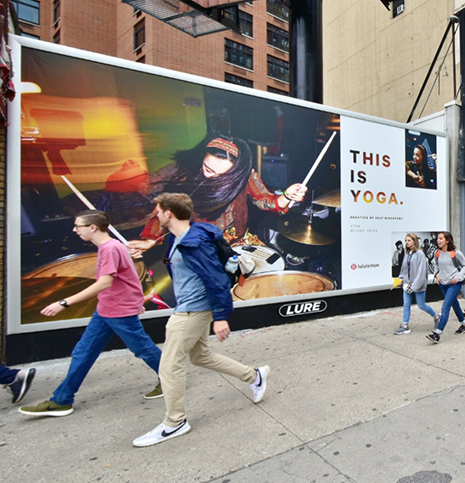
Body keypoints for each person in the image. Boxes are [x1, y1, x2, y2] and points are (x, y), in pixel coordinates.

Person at [132, 193, 269, 448]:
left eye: (158, 211)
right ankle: (254, 376)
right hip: (189, 306)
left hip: (192, 311)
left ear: (169, 213)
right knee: (199, 356)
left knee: (169, 366)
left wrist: (220, 317)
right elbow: (184, 274)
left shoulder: (194, 242)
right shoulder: (180, 237)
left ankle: (175, 422)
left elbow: (216, 279)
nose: (156, 215)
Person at [20, 210, 162, 418]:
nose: (74, 229)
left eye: (78, 226)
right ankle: (62, 400)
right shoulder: (113, 246)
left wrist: (64, 302)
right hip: (107, 309)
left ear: (93, 228)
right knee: (83, 353)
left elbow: (105, 282)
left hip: (118, 311)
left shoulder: (110, 249)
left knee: (143, 349)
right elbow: (129, 276)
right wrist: (136, 300)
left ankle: (171, 379)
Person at [128, 135, 306, 254]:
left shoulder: (245, 175)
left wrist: (287, 196)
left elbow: (263, 199)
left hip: (239, 240)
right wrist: (150, 239)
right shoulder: (186, 178)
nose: (212, 176)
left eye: (223, 175)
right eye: (208, 168)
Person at [426, 232, 465, 343]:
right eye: (438, 239)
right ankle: (464, 325)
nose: (438, 241)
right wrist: (436, 274)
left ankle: (437, 334)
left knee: (445, 307)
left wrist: (458, 277)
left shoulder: (456, 253)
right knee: (454, 304)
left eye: (441, 238)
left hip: (454, 284)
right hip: (443, 284)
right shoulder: (437, 253)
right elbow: (435, 264)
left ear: (447, 240)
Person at [394, 233, 438, 335]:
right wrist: (401, 280)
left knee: (421, 305)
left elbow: (421, 272)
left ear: (414, 241)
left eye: (409, 240)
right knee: (406, 304)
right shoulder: (407, 254)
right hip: (407, 284)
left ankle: (436, 316)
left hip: (417, 285)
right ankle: (405, 326)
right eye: (406, 240)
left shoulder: (420, 254)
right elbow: (404, 269)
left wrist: (413, 287)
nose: (406, 242)